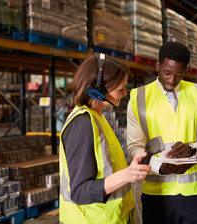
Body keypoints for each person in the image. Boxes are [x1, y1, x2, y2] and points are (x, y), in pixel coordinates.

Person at [127, 42, 197, 224]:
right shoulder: (138, 98)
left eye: (179, 75)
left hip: (196, 195)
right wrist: (159, 167)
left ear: (185, 70)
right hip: (157, 196)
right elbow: (135, 147)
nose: (172, 80)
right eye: (167, 73)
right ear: (158, 66)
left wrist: (194, 148)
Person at [59, 54, 151, 224]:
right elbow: (79, 192)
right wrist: (127, 175)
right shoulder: (82, 124)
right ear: (97, 91)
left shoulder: (98, 118)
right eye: (120, 89)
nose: (125, 93)